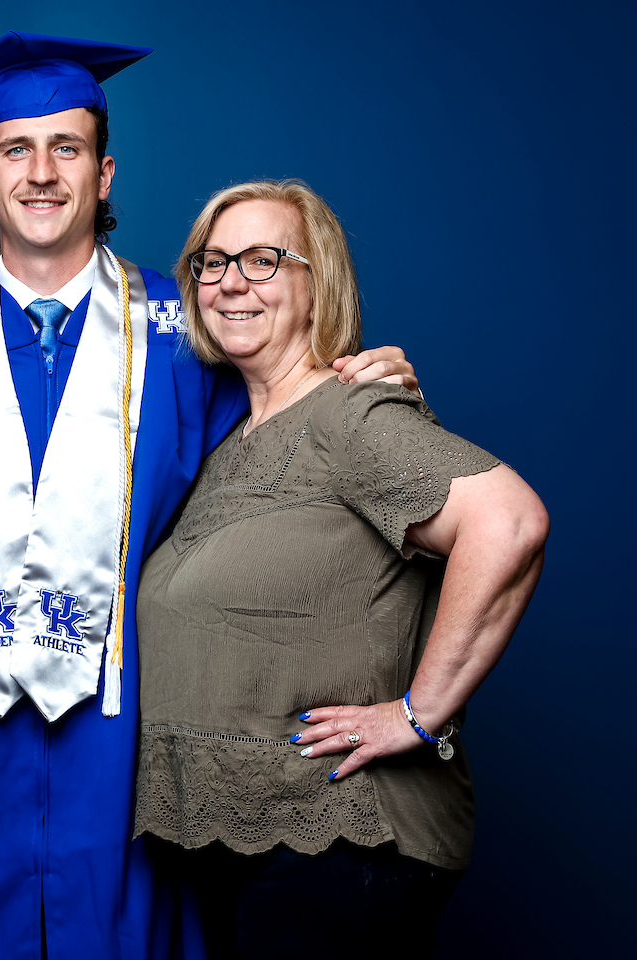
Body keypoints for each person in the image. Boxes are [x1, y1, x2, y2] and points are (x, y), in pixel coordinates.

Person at [0, 33, 419, 960]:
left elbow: (284, 439)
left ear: (104, 172)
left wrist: (358, 376)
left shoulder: (189, 326)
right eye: (16, 148)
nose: (42, 173)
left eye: (68, 148)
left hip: (124, 729)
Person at [133, 179, 549, 958]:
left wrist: (419, 714)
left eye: (263, 259)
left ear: (317, 279)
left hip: (340, 851)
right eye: (212, 262)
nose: (230, 281)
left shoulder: (353, 411)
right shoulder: (226, 428)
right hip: (248, 852)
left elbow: (510, 521)